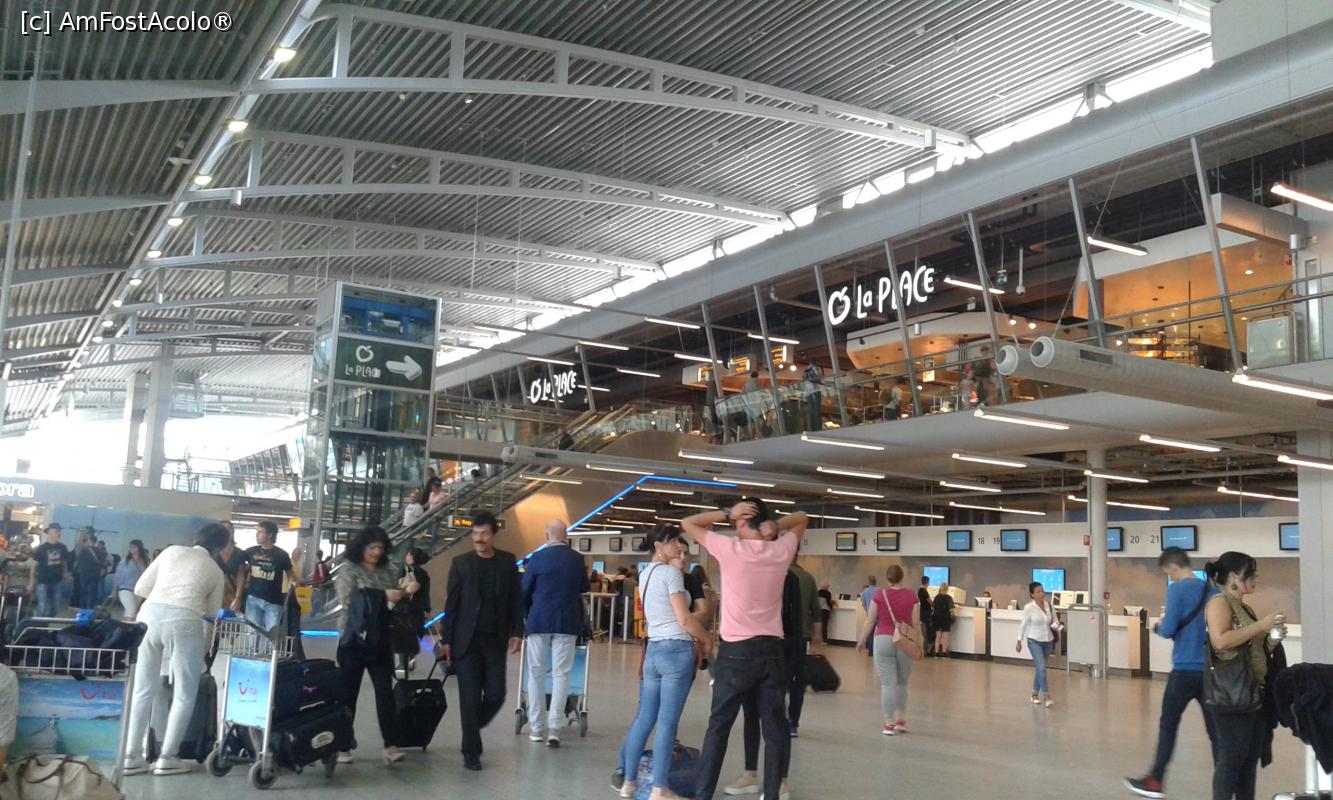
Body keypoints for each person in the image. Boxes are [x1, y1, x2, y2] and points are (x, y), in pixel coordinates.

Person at [680, 501, 808, 800]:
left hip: (736, 652)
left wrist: (726, 513)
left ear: (740, 522)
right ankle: (773, 794)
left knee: (719, 726)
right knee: (775, 729)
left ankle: (703, 794)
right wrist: (776, 527)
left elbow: (688, 523)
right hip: (772, 651)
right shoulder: (780, 550)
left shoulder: (730, 549)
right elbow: (802, 517)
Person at [122, 523, 229, 776]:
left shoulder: (171, 552)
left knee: (142, 690)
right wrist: (204, 649)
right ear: (221, 547)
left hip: (148, 617)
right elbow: (211, 615)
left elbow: (140, 589)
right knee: (184, 693)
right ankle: (168, 757)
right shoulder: (215, 571)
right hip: (185, 621)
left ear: (198, 537)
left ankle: (131, 756)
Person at [613, 526, 711, 799]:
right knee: (667, 723)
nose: (678, 548)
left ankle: (628, 782)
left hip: (653, 650)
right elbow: (685, 619)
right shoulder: (670, 574)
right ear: (659, 545)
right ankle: (659, 788)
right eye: (673, 543)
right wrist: (707, 639)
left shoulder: (646, 573)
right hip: (675, 650)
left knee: (644, 719)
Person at [1124, 548, 1220, 798]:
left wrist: (1158, 627)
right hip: (1209, 672)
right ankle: (1226, 783)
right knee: (1215, 731)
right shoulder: (1212, 591)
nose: (1171, 577)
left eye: (1169, 573)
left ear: (1173, 567)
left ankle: (1155, 781)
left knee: (1168, 725)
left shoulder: (1177, 589)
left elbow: (1168, 629)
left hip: (1184, 670)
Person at [440, 511, 524, 771]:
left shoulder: (507, 562)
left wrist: (517, 632)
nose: (478, 538)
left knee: (497, 694)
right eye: (475, 534)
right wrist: (446, 639)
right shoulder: (461, 563)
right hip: (466, 641)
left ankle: (472, 726)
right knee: (469, 696)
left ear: (493, 535)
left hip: (495, 639)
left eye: (484, 533)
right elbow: (452, 605)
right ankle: (471, 751)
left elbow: (516, 600)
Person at [1204, 551, 1284, 800]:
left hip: (1253, 692)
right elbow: (1220, 641)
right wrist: (1261, 626)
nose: (1255, 579)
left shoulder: (1245, 608)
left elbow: (1252, 648)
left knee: (1248, 762)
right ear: (1233, 577)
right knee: (1231, 761)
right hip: (1232, 695)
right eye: (1250, 574)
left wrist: (1271, 641)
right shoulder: (1219, 603)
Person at [335, 525, 415, 766]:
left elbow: (392, 600)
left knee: (385, 693)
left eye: (380, 547)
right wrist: (383, 596)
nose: (376, 552)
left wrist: (404, 592)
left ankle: (391, 744)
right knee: (348, 693)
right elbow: (348, 600)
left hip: (379, 639)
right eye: (372, 547)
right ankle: (342, 745)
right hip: (353, 640)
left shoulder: (387, 570)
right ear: (362, 547)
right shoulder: (349, 569)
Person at [521, 520, 589, 748]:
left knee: (536, 674)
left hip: (539, 621)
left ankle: (536, 728)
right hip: (567, 621)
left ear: (546, 536)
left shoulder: (537, 558)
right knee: (562, 674)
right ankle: (555, 730)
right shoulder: (577, 559)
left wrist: (525, 614)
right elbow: (584, 587)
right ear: (566, 536)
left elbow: (524, 590)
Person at [856, 564, 920, 735]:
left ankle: (888, 724)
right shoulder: (912, 595)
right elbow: (916, 623)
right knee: (902, 682)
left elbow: (870, 620)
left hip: (883, 639)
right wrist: (918, 642)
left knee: (887, 684)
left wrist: (862, 639)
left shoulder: (879, 594)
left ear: (887, 578)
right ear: (902, 577)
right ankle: (901, 721)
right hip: (904, 640)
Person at [236, 521, 297, 632]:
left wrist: (292, 581)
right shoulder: (251, 551)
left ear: (269, 535)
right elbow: (239, 565)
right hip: (253, 598)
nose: (257, 535)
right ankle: (253, 645)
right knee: (251, 633)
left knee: (272, 634)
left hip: (274, 601)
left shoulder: (282, 555)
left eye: (260, 532)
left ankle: (271, 645)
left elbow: (289, 572)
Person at [785, 557, 819, 736]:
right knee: (798, 681)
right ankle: (793, 723)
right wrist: (817, 635)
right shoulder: (808, 578)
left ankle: (778, 719)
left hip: (777, 636)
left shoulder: (775, 574)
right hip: (801, 636)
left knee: (777, 680)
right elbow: (816, 610)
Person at [1016, 581, 1058, 708]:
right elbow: (1023, 625)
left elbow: (1055, 621)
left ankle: (1034, 694)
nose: (1041, 593)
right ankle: (1046, 695)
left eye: (1042, 591)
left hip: (1048, 641)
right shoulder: (1029, 608)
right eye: (1038, 591)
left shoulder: (1049, 606)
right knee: (1042, 668)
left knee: (1041, 669)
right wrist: (1019, 640)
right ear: (1032, 594)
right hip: (1034, 640)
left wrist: (1058, 626)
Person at [397, 547, 432, 676]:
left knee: (401, 635)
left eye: (407, 554)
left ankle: (403, 664)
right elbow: (426, 594)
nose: (406, 556)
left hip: (404, 608)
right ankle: (411, 656)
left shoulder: (404, 570)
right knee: (413, 634)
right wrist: (427, 609)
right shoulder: (424, 573)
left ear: (411, 556)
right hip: (418, 609)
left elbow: (397, 587)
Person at [29, 524, 70, 617]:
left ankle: (47, 622)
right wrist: (31, 582)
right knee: (42, 606)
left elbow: (64, 563)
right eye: (56, 531)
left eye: (58, 531)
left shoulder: (63, 547)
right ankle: (39, 624)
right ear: (49, 533)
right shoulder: (42, 548)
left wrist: (64, 575)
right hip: (43, 580)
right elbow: (33, 565)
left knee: (56, 608)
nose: (58, 533)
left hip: (57, 580)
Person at [111, 539, 150, 621]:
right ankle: (126, 626)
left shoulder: (144, 561)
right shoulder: (125, 560)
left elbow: (146, 576)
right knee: (131, 609)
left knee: (132, 611)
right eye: (130, 547)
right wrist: (114, 590)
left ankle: (125, 626)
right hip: (125, 588)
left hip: (138, 590)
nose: (131, 549)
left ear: (139, 548)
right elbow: (117, 575)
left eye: (134, 547)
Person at [932, 582, 956, 656]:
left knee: (938, 636)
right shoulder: (949, 598)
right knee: (945, 636)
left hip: (937, 618)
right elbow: (951, 610)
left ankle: (936, 652)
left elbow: (933, 607)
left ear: (940, 588)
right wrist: (953, 616)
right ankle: (944, 652)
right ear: (947, 589)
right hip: (946, 618)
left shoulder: (936, 597)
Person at [918, 576, 935, 656]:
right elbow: (930, 602)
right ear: (927, 582)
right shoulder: (924, 591)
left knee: (924, 632)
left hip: (922, 613)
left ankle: (924, 650)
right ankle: (928, 650)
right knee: (929, 632)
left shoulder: (919, 591)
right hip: (927, 613)